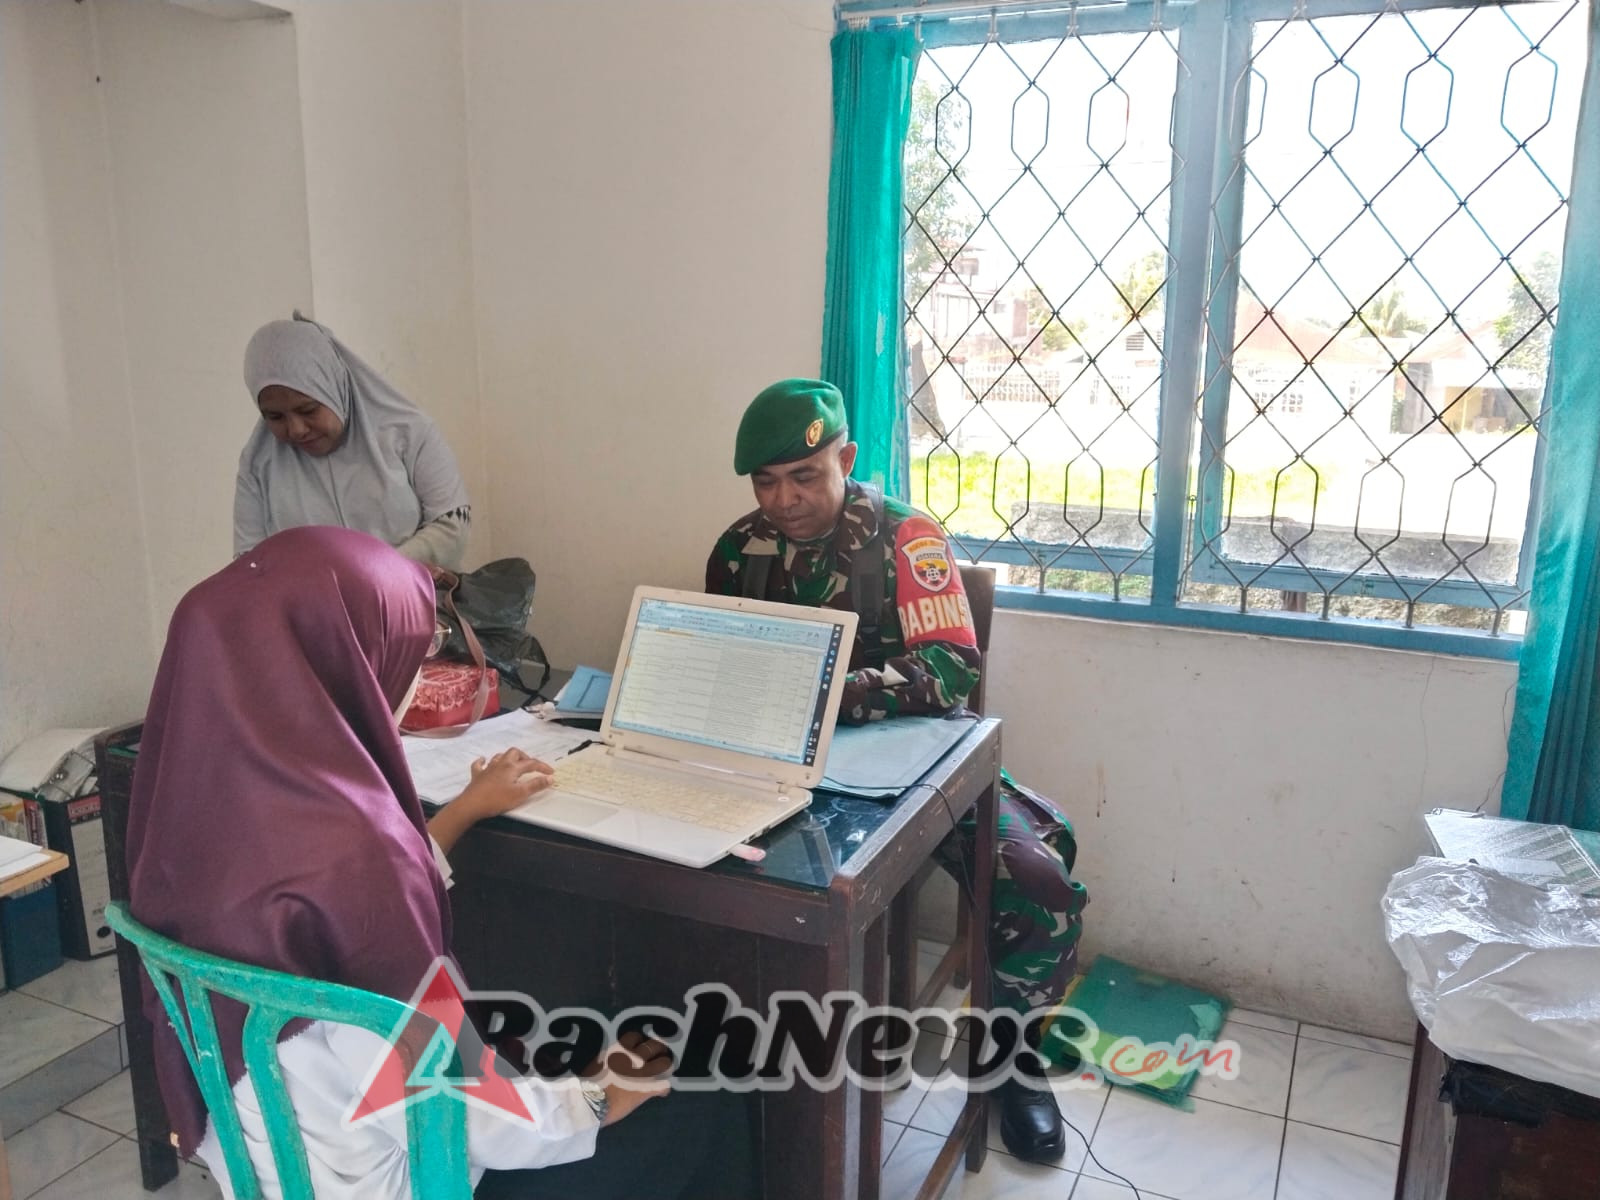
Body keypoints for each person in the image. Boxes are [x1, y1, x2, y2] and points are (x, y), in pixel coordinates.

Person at [128, 526, 753, 1199]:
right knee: (703, 1101)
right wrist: (598, 1094)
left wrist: (457, 814)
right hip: (416, 1181)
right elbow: (467, 1118)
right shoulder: (358, 858)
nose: (410, 681)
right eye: (404, 655)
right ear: (343, 660)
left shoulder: (182, 816)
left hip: (272, 1168)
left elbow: (319, 905)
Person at [705, 379, 1090, 1164]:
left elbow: (951, 668)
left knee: (1038, 879)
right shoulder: (737, 549)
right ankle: (742, 1062)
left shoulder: (907, 537)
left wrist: (825, 695)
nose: (784, 501)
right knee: (698, 870)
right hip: (785, 770)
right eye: (767, 482)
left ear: (845, 458)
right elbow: (727, 661)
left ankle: (1014, 1060)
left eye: (804, 476)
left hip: (915, 760)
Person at [234, 314, 473, 569]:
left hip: (417, 601)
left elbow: (452, 531)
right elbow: (250, 567)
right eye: (275, 416)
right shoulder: (258, 465)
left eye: (308, 410)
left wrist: (376, 573)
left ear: (334, 388)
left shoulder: (408, 432)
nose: (296, 429)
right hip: (312, 608)